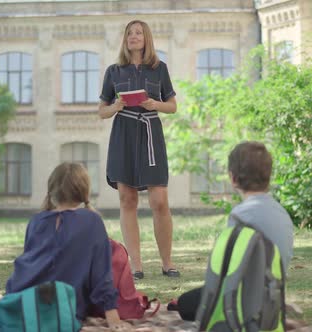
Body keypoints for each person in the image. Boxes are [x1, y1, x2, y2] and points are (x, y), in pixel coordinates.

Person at [176, 141, 294, 321]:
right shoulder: (282, 213)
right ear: (269, 176)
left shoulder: (240, 215)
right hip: (273, 294)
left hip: (245, 295)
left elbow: (230, 267)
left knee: (184, 304)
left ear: (233, 178)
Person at [98, 19, 179, 280]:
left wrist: (154, 103)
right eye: (130, 33)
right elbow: (102, 111)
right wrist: (117, 106)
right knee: (127, 200)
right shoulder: (113, 71)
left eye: (139, 33)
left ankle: (167, 263)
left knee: (160, 200)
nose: (134, 37)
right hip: (123, 134)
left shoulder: (159, 68)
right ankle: (136, 265)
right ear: (125, 39)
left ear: (147, 39)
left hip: (150, 133)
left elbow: (172, 105)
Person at [5, 162, 130, 329]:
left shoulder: (36, 221)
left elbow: (28, 267)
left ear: (51, 189)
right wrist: (112, 316)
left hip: (24, 302)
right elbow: (102, 275)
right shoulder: (92, 221)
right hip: (65, 309)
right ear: (84, 190)